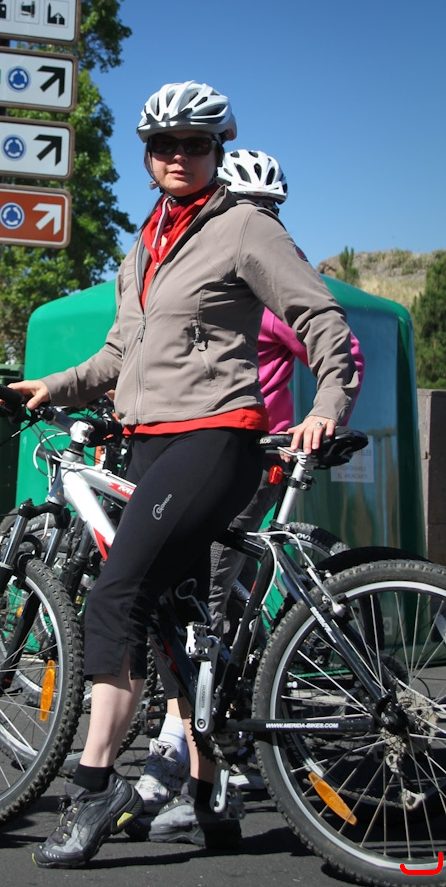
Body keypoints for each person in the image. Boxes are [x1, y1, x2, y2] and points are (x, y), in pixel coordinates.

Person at [0, 81, 361, 868]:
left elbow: (318, 317)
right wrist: (49, 388)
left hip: (216, 438)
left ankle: (93, 788)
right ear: (147, 154)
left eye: (195, 144)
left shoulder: (243, 228)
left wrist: (327, 404)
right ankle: (208, 792)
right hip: (149, 442)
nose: (178, 156)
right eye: (164, 145)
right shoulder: (144, 243)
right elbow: (117, 354)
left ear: (215, 151)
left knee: (116, 596)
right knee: (179, 625)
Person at [133, 149, 366, 817]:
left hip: (249, 454)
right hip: (216, 446)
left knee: (197, 605)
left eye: (269, 210)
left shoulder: (260, 283)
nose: (260, 220)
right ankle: (215, 738)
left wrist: (322, 414)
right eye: (250, 207)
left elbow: (339, 346)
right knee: (217, 602)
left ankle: (195, 758)